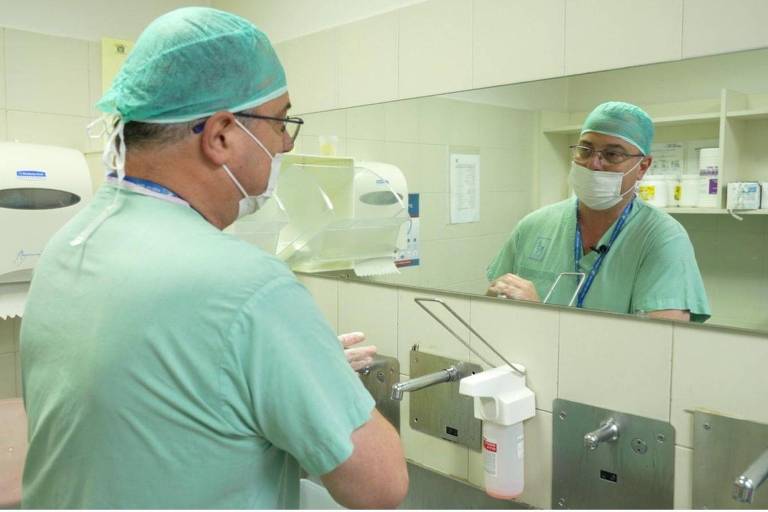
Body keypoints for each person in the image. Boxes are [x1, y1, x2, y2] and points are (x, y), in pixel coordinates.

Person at [19, 7, 407, 509]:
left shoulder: (71, 241)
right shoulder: (248, 287)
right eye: (281, 120)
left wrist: (288, 366)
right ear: (222, 134)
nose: (286, 142)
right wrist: (317, 373)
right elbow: (381, 486)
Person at [486, 101, 710, 322]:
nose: (593, 163)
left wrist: (541, 316)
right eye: (585, 150)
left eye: (612, 154)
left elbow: (662, 344)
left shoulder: (663, 238)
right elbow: (492, 309)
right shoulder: (533, 225)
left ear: (642, 167)